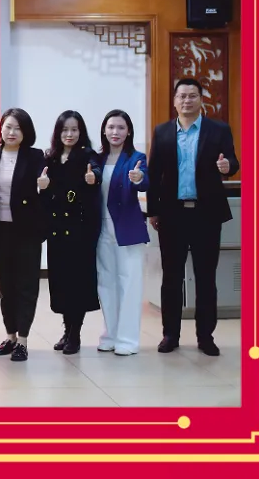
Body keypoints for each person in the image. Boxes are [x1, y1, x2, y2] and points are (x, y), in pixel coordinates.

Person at [148, 79, 240, 356]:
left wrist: (227, 166)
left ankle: (205, 337)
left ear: (201, 99)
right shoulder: (162, 132)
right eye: (182, 96)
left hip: (206, 214)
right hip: (172, 214)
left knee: (205, 277)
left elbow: (233, 162)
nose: (187, 101)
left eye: (192, 96)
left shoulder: (218, 130)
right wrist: (153, 210)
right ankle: (170, 335)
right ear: (175, 101)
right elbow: (154, 173)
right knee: (171, 277)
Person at [0, 108, 47, 361]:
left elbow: (46, 192)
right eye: (8, 127)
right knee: (5, 286)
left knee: (26, 286)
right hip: (1, 231)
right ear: (0, 128)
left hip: (27, 232)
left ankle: (23, 340)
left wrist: (44, 187)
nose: (12, 132)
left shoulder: (35, 157)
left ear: (26, 132)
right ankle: (10, 336)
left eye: (18, 128)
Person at [39, 110, 101, 355]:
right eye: (65, 129)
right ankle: (66, 329)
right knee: (61, 282)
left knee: (78, 283)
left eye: (74, 129)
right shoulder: (51, 157)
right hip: (56, 231)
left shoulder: (88, 155)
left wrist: (93, 178)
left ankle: (75, 333)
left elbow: (96, 172)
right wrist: (43, 187)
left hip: (80, 230)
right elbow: (45, 190)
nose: (69, 134)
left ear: (81, 132)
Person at [95, 109, 150, 356]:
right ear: (104, 131)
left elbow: (145, 181)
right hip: (101, 229)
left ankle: (127, 340)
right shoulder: (97, 159)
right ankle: (111, 334)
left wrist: (138, 178)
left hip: (127, 229)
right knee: (106, 283)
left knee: (129, 284)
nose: (115, 132)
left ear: (128, 132)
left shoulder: (136, 158)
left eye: (120, 127)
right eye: (111, 127)